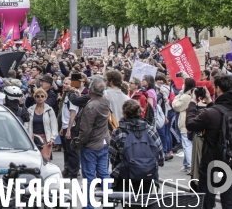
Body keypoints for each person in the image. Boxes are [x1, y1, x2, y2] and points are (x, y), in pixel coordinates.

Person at [186, 74, 232, 208]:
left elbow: (190, 124)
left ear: (218, 89)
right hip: (231, 161)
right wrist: (210, 102)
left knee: (207, 202)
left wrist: (192, 103)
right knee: (229, 201)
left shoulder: (211, 113)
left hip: (211, 163)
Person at [108, 99, 164, 197]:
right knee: (144, 202)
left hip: (125, 176)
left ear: (124, 114)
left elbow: (113, 157)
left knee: (127, 203)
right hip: (147, 175)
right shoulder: (151, 131)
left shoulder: (119, 132)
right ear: (140, 112)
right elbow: (160, 155)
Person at [70, 78, 110, 209]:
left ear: (91, 90)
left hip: (91, 145)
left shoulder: (91, 106)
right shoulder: (104, 101)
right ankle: (108, 201)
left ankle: (89, 205)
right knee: (103, 173)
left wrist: (78, 142)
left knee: (89, 177)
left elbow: (85, 129)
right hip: (103, 141)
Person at [27, 88, 58, 161]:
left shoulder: (49, 110)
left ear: (45, 98)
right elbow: (27, 125)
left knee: (45, 159)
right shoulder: (30, 110)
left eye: (42, 96)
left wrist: (52, 137)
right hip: (33, 137)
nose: (40, 98)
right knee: (33, 159)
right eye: (37, 96)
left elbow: (54, 124)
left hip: (45, 138)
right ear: (35, 98)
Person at [172, 76, 195, 175]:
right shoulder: (193, 95)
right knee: (188, 144)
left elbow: (176, 106)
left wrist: (178, 96)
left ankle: (190, 166)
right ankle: (186, 164)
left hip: (185, 122)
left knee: (186, 145)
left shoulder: (185, 96)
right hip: (191, 121)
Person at [59, 77, 80, 179]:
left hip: (71, 127)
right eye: (64, 83)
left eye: (67, 83)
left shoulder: (72, 98)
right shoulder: (66, 96)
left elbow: (73, 114)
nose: (64, 85)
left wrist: (68, 130)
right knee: (67, 151)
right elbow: (65, 114)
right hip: (65, 126)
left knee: (72, 151)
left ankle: (73, 172)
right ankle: (68, 170)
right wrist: (63, 127)